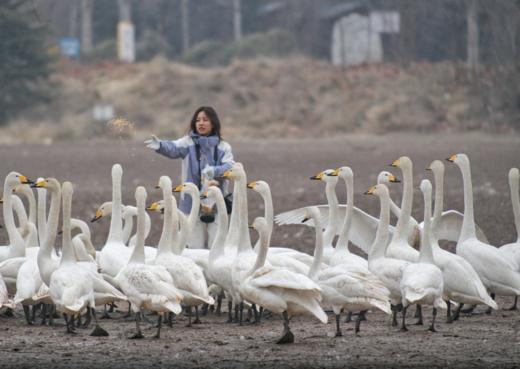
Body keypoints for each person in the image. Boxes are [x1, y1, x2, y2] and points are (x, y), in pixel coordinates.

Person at [145, 106, 235, 248]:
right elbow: (173, 147)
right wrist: (160, 146)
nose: (201, 123)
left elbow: (231, 167)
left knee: (217, 247)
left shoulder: (224, 147)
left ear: (213, 123)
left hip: (217, 204)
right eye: (198, 120)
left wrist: (215, 171)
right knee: (193, 247)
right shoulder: (188, 143)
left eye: (205, 120)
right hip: (191, 204)